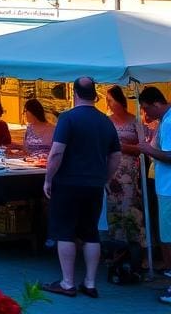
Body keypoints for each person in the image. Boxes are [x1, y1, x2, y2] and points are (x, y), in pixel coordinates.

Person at [41, 77, 121, 299]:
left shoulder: (68, 118)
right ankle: (90, 282)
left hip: (68, 183)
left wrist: (48, 178)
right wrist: (105, 177)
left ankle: (67, 282)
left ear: (75, 93)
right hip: (94, 184)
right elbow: (116, 155)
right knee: (90, 232)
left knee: (65, 231)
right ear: (94, 94)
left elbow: (57, 152)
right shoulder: (106, 121)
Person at [137, 86, 171, 305]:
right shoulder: (165, 120)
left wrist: (146, 149)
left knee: (168, 238)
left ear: (156, 103)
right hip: (165, 187)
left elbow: (169, 155)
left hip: (168, 189)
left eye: (147, 109)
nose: (147, 115)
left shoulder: (168, 122)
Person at [104, 85, 145, 248]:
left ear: (119, 100)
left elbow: (143, 147)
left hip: (129, 169)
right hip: (112, 169)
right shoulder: (107, 121)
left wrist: (122, 147)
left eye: (111, 100)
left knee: (129, 205)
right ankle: (116, 244)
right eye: (107, 101)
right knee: (113, 205)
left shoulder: (134, 121)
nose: (108, 104)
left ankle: (133, 243)